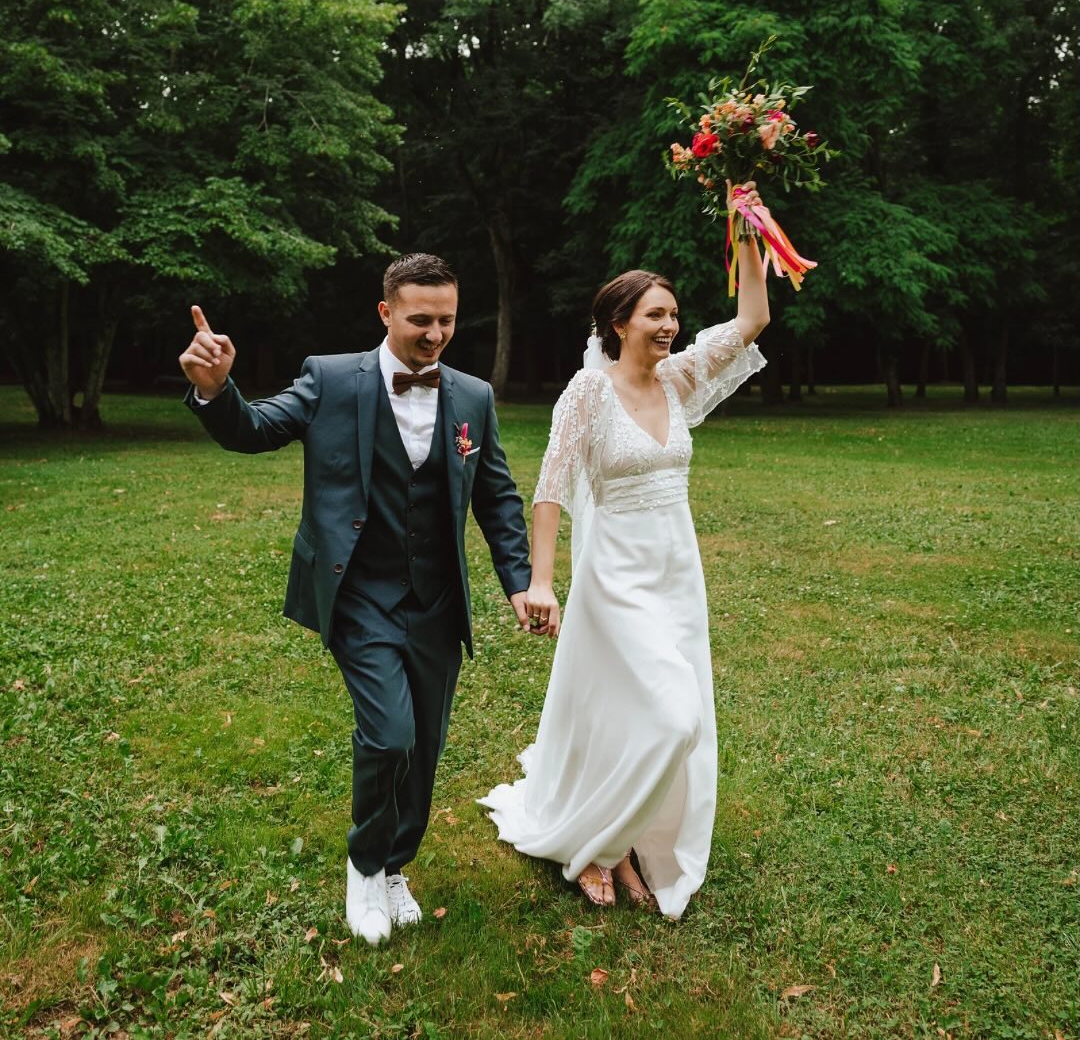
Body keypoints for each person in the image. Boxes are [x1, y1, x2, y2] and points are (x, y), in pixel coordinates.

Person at [179, 253, 544, 944]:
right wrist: (217, 392)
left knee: (425, 747)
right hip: (359, 594)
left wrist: (519, 582)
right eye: (420, 320)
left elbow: (497, 497)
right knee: (390, 734)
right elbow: (256, 430)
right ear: (386, 313)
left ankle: (396, 864)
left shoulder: (472, 397)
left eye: (447, 320)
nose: (435, 334)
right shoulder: (331, 378)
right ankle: (364, 863)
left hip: (437, 602)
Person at [478, 181, 769, 919]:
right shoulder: (588, 391)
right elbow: (549, 488)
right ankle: (597, 849)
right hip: (616, 574)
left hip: (678, 568)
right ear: (619, 322)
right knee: (672, 716)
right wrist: (541, 580)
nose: (671, 326)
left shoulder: (676, 380)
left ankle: (636, 837)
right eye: (657, 315)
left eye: (674, 314)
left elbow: (754, 316)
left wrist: (746, 224)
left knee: (657, 711)